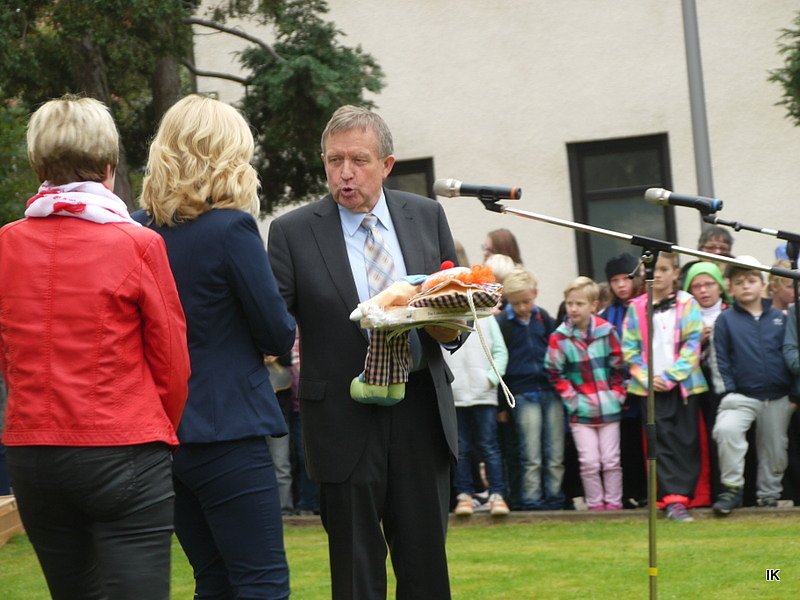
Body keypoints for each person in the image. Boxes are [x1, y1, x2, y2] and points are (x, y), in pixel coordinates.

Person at [267, 105, 462, 599]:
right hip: (341, 418)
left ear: (387, 164)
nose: (345, 173)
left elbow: (457, 324)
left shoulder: (426, 215)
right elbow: (272, 328)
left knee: (425, 567)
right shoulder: (292, 232)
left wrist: (441, 322)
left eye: (358, 160)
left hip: (420, 409)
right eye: (334, 161)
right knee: (355, 573)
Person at [1, 94, 190, 599]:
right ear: (109, 168)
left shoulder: (6, 245)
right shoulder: (137, 243)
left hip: (34, 452)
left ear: (40, 163)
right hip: (123, 444)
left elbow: (8, 357)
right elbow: (172, 364)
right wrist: (155, 432)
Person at [136, 94, 296, 598]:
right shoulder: (232, 229)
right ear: (227, 156)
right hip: (229, 430)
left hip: (164, 435)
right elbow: (276, 332)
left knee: (214, 580)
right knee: (262, 582)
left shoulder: (138, 231)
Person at [622, 252, 708, 522]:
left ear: (675, 273)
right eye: (651, 269)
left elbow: (693, 345)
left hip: (682, 386)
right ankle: (672, 500)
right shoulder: (636, 307)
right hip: (650, 388)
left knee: (685, 441)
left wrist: (671, 377)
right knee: (660, 442)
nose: (657, 274)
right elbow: (629, 350)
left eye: (663, 269)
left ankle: (688, 496)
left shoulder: (688, 303)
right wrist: (649, 378)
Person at [709, 257, 794, 515]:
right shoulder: (725, 320)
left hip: (778, 397)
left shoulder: (780, 318)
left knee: (775, 449)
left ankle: (768, 496)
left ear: (763, 284)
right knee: (726, 430)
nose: (746, 286)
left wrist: (793, 394)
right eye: (739, 282)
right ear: (730, 288)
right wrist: (729, 391)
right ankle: (732, 489)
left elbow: (789, 353)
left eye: (751, 280)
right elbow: (718, 358)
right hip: (741, 396)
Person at [545, 277, 626, 510]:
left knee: (611, 461)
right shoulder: (559, 337)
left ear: (594, 305)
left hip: (609, 407)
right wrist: (572, 400)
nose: (573, 308)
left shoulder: (608, 332)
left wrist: (616, 395)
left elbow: (619, 367)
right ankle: (595, 507)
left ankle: (613, 504)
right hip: (580, 411)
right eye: (570, 303)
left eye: (579, 304)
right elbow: (554, 372)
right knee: (589, 462)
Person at [497, 268, 564, 510]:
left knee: (555, 451)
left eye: (526, 301)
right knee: (531, 453)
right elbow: (498, 365)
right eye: (516, 304)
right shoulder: (502, 323)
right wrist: (502, 404)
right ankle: (532, 499)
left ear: (535, 294)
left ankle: (555, 497)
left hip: (550, 390)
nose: (522, 308)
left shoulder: (543, 318)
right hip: (522, 393)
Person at [446, 305, 510, 517]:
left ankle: (497, 495)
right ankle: (464, 496)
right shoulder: (443, 315)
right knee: (460, 449)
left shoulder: (487, 317)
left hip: (484, 395)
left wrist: (491, 380)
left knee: (489, 446)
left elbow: (500, 352)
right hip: (455, 396)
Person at [683, 262, 733, 500]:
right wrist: (697, 341)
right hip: (694, 385)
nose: (703, 291)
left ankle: (728, 490)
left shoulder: (730, 314)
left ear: (720, 287)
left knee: (723, 437)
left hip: (724, 387)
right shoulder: (684, 315)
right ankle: (704, 493)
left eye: (709, 284)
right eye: (697, 286)